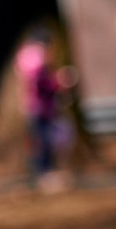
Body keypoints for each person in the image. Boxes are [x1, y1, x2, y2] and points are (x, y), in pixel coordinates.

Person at [14, 27, 75, 190]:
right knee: (45, 141)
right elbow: (41, 83)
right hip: (40, 107)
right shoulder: (38, 58)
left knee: (43, 140)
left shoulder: (25, 57)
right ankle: (44, 174)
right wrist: (59, 82)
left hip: (35, 106)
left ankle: (44, 172)